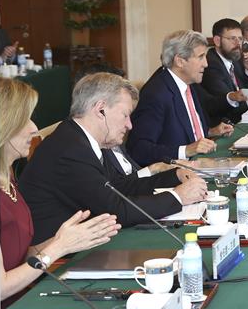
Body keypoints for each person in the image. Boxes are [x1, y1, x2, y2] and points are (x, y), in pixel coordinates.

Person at [20, 73, 209, 244]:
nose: (129, 125)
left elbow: (120, 186)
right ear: (101, 110)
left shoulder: (83, 139)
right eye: (125, 115)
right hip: (56, 259)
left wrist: (174, 176)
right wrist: (178, 196)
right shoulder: (70, 149)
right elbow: (115, 209)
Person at [0, 79, 120, 307]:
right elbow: (0, 288)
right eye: (25, 119)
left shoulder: (7, 179)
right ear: (3, 124)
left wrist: (67, 238)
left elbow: (18, 256)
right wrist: (59, 247)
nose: (34, 127)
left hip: (24, 301)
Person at [127, 30, 234, 166]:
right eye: (200, 57)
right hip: (174, 174)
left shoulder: (188, 83)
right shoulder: (156, 94)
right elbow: (138, 150)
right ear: (180, 61)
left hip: (200, 163)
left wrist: (210, 131)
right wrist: (186, 150)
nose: (206, 64)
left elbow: (176, 129)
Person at [197, 18, 248, 127]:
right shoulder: (210, 64)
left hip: (241, 120)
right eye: (232, 38)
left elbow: (246, 92)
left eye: (240, 39)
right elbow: (230, 103)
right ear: (217, 41)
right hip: (224, 126)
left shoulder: (236, 59)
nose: (238, 44)